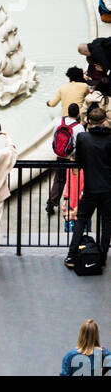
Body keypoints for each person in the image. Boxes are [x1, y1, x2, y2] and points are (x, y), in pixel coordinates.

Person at [65, 104, 111, 270]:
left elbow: (79, 159)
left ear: (89, 121)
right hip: (107, 189)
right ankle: (103, 258)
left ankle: (71, 255)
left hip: (91, 188)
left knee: (81, 221)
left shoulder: (84, 138)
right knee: (106, 224)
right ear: (105, 121)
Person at [45, 102, 84, 216]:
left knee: (59, 180)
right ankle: (73, 206)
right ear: (78, 114)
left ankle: (51, 203)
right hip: (73, 158)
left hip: (61, 155)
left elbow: (54, 138)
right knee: (74, 182)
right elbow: (80, 144)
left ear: (68, 112)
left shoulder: (59, 122)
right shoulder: (79, 127)